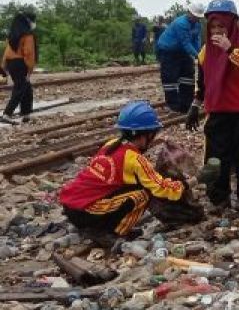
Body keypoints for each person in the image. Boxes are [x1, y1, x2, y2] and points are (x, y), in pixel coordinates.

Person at [59, 101, 188, 238]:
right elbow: (159, 187)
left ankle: (99, 226)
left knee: (134, 185)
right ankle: (112, 233)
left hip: (71, 206)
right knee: (143, 195)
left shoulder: (110, 145)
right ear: (146, 134)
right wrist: (183, 186)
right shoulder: (134, 159)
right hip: (86, 212)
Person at [185, 0, 239, 211]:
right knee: (215, 156)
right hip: (217, 108)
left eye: (222, 26)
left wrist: (230, 51)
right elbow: (201, 82)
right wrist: (195, 105)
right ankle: (219, 198)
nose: (217, 31)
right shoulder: (204, 52)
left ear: (231, 24)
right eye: (213, 27)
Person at [156, 3, 205, 112]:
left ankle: (186, 104)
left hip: (183, 51)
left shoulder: (197, 24)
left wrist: (200, 53)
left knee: (188, 77)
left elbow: (196, 40)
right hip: (169, 51)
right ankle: (174, 106)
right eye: (194, 16)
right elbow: (186, 43)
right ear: (189, 13)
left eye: (198, 17)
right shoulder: (181, 24)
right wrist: (198, 56)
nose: (196, 18)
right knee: (170, 79)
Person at [1, 10, 37, 125]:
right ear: (28, 22)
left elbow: (6, 53)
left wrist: (3, 68)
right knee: (20, 88)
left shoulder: (13, 36)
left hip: (12, 64)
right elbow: (29, 53)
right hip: (21, 64)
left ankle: (26, 115)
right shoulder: (28, 35)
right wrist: (30, 71)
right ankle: (7, 114)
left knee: (27, 88)